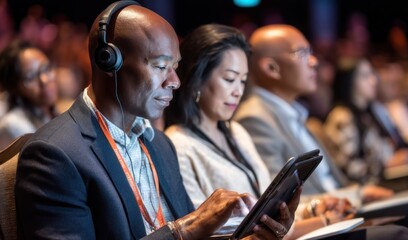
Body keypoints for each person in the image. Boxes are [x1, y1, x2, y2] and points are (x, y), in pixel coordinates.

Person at [15, 2, 299, 239]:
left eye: (175, 68)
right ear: (109, 62)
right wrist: (183, 230)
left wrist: (255, 237)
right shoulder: (55, 154)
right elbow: (186, 232)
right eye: (161, 66)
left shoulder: (159, 144)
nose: (175, 81)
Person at [163, 23, 408, 240]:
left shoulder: (236, 131)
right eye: (229, 79)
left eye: (242, 81)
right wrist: (320, 219)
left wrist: (315, 208)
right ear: (196, 79)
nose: (237, 91)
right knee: (400, 233)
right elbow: (201, 227)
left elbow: (269, 203)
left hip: (281, 233)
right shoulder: (178, 143)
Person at [323, 58, 408, 185]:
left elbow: (398, 143)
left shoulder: (371, 112)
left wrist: (406, 155)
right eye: (365, 76)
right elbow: (349, 168)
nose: (373, 80)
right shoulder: (342, 117)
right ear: (350, 81)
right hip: (371, 187)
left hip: (392, 177)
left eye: (372, 74)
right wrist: (386, 166)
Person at [0, 39, 59, 149]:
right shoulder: (13, 125)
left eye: (46, 68)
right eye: (31, 77)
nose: (44, 80)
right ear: (15, 88)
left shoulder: (52, 111)